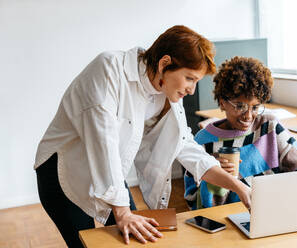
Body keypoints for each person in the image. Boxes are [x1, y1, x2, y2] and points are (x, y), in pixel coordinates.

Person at [34, 25, 252, 247]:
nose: (192, 90)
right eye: (189, 78)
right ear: (164, 63)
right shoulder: (108, 69)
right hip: (63, 171)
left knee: (137, 238)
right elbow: (104, 142)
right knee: (86, 242)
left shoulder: (165, 90)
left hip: (109, 171)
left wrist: (239, 187)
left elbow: (184, 145)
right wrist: (123, 213)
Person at [184, 56, 297, 210]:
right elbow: (193, 203)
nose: (248, 116)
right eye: (240, 106)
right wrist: (214, 179)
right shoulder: (202, 142)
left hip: (274, 210)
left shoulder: (269, 126)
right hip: (227, 220)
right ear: (222, 102)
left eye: (255, 107)